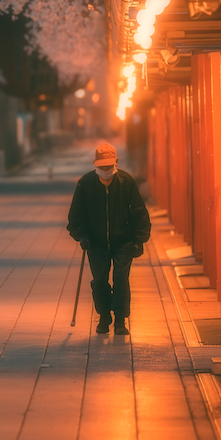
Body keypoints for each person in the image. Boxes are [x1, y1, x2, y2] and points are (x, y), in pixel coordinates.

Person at [66, 142, 151, 335]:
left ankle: (120, 320)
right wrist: (82, 236)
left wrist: (139, 239)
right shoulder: (85, 183)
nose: (105, 170)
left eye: (109, 166)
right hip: (95, 243)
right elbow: (75, 216)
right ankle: (104, 316)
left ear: (116, 163)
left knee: (121, 279)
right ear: (96, 164)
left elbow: (139, 212)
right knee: (100, 281)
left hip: (123, 241)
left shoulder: (126, 181)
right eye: (102, 166)